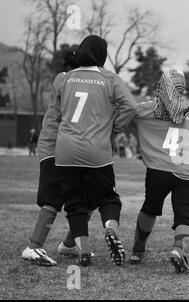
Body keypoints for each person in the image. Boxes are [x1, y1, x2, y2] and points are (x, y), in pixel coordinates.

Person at [52, 35, 137, 266]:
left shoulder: (65, 78)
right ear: (102, 55)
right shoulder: (110, 78)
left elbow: (57, 112)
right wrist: (116, 127)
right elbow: (130, 106)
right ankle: (110, 228)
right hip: (96, 150)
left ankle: (84, 250)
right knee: (108, 196)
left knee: (75, 203)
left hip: (66, 150)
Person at [129, 69, 189, 273]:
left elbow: (126, 113)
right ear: (182, 88)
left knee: (150, 208)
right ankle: (178, 248)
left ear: (161, 85)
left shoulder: (149, 108)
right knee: (185, 217)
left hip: (159, 169)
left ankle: (138, 250)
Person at [21, 49, 91, 266]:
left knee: (87, 197)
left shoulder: (72, 80)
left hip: (71, 147)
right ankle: (33, 247)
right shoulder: (65, 79)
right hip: (55, 146)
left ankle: (69, 244)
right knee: (53, 197)